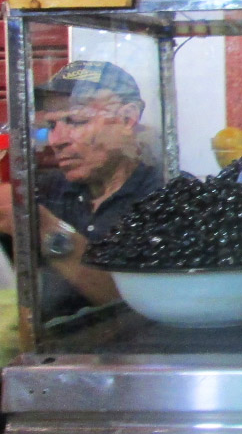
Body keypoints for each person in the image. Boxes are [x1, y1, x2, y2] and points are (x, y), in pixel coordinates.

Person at [0, 61, 161, 316]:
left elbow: (145, 307)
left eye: (76, 120)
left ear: (127, 118)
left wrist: (45, 229)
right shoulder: (46, 190)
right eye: (52, 126)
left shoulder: (166, 197)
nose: (57, 141)